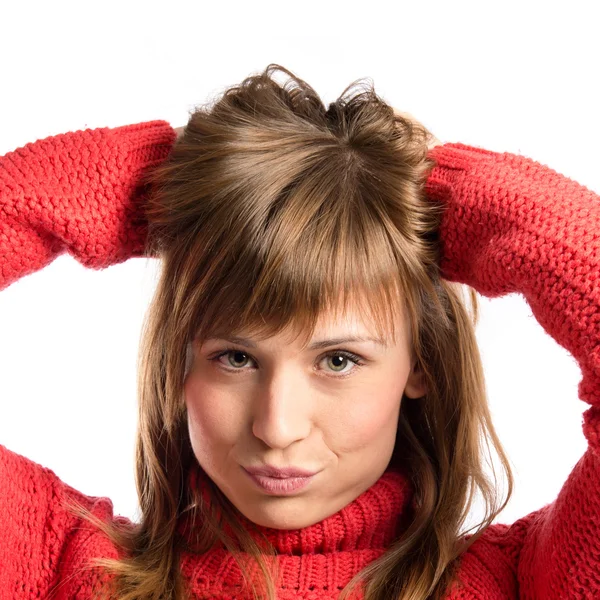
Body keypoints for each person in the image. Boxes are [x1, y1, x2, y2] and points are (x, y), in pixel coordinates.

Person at [0, 63, 598, 600]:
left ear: (419, 362)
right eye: (235, 357)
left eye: (338, 360)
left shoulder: (526, 583)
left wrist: (435, 194)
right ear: (179, 360)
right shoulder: (62, 569)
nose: (277, 428)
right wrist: (167, 187)